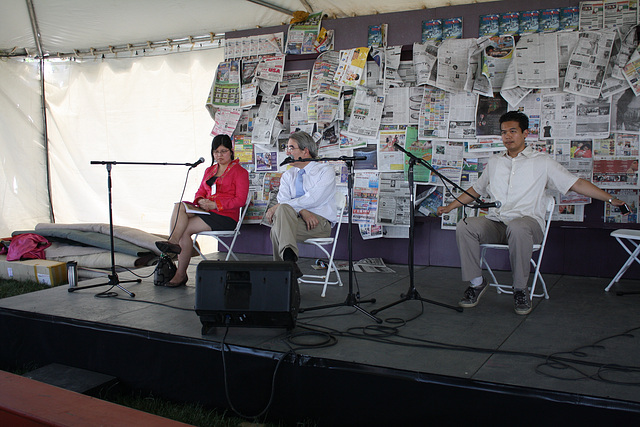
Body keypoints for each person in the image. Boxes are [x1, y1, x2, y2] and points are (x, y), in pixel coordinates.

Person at [437, 111, 627, 315]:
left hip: (528, 226)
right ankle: (477, 283)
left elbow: (576, 183)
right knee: (465, 225)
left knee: (518, 227)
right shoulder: (495, 162)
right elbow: (476, 190)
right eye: (503, 133)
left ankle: (520, 289)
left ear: (525, 133)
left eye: (512, 131)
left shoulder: (542, 162)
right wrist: (450, 206)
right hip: (498, 223)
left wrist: (610, 199)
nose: (507, 136)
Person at [155, 134, 250, 287]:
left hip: (225, 216)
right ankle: (173, 244)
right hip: (206, 210)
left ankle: (180, 271)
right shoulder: (210, 170)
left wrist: (216, 204)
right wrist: (200, 201)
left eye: (223, 151)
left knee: (184, 230)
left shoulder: (240, 172)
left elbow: (240, 200)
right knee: (179, 206)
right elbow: (199, 192)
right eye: (216, 152)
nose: (219, 155)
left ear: (231, 151)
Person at [264, 131, 337, 278]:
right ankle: (289, 263)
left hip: (318, 224)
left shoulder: (325, 171)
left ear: (305, 151)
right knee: (281, 215)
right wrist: (302, 210)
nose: (287, 152)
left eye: (292, 148)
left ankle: (283, 276)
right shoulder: (288, 175)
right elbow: (283, 202)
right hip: (295, 221)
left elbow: (314, 199)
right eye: (287, 147)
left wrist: (295, 208)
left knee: (276, 229)